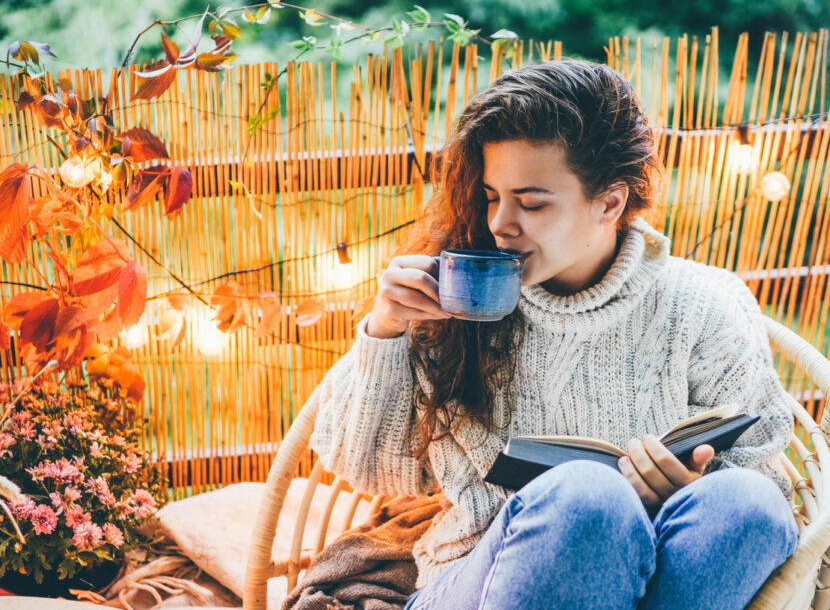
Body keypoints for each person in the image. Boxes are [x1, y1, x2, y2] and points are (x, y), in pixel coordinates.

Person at [307, 59, 799, 610]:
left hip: (660, 578)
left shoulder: (703, 304)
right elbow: (368, 470)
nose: (500, 223)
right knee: (588, 496)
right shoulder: (451, 298)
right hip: (477, 580)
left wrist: (687, 491)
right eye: (493, 196)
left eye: (532, 202)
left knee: (746, 502)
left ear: (609, 203)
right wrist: (386, 331)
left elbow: (764, 474)